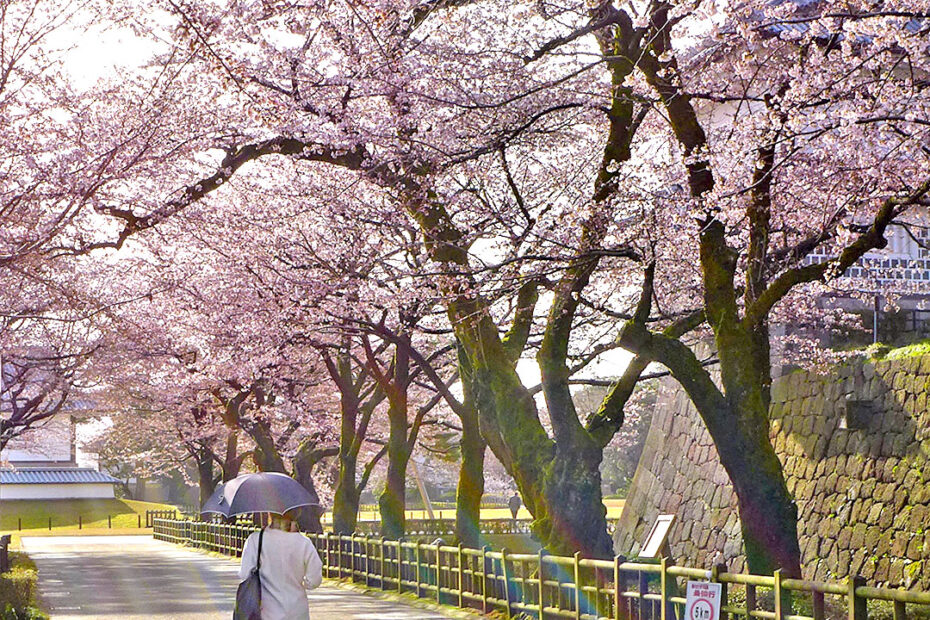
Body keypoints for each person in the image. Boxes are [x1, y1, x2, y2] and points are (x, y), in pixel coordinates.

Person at [238, 509, 323, 620]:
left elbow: (245, 574)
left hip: (266, 611)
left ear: (270, 513)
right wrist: (303, 584)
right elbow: (315, 580)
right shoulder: (304, 542)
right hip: (297, 610)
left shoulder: (255, 540)